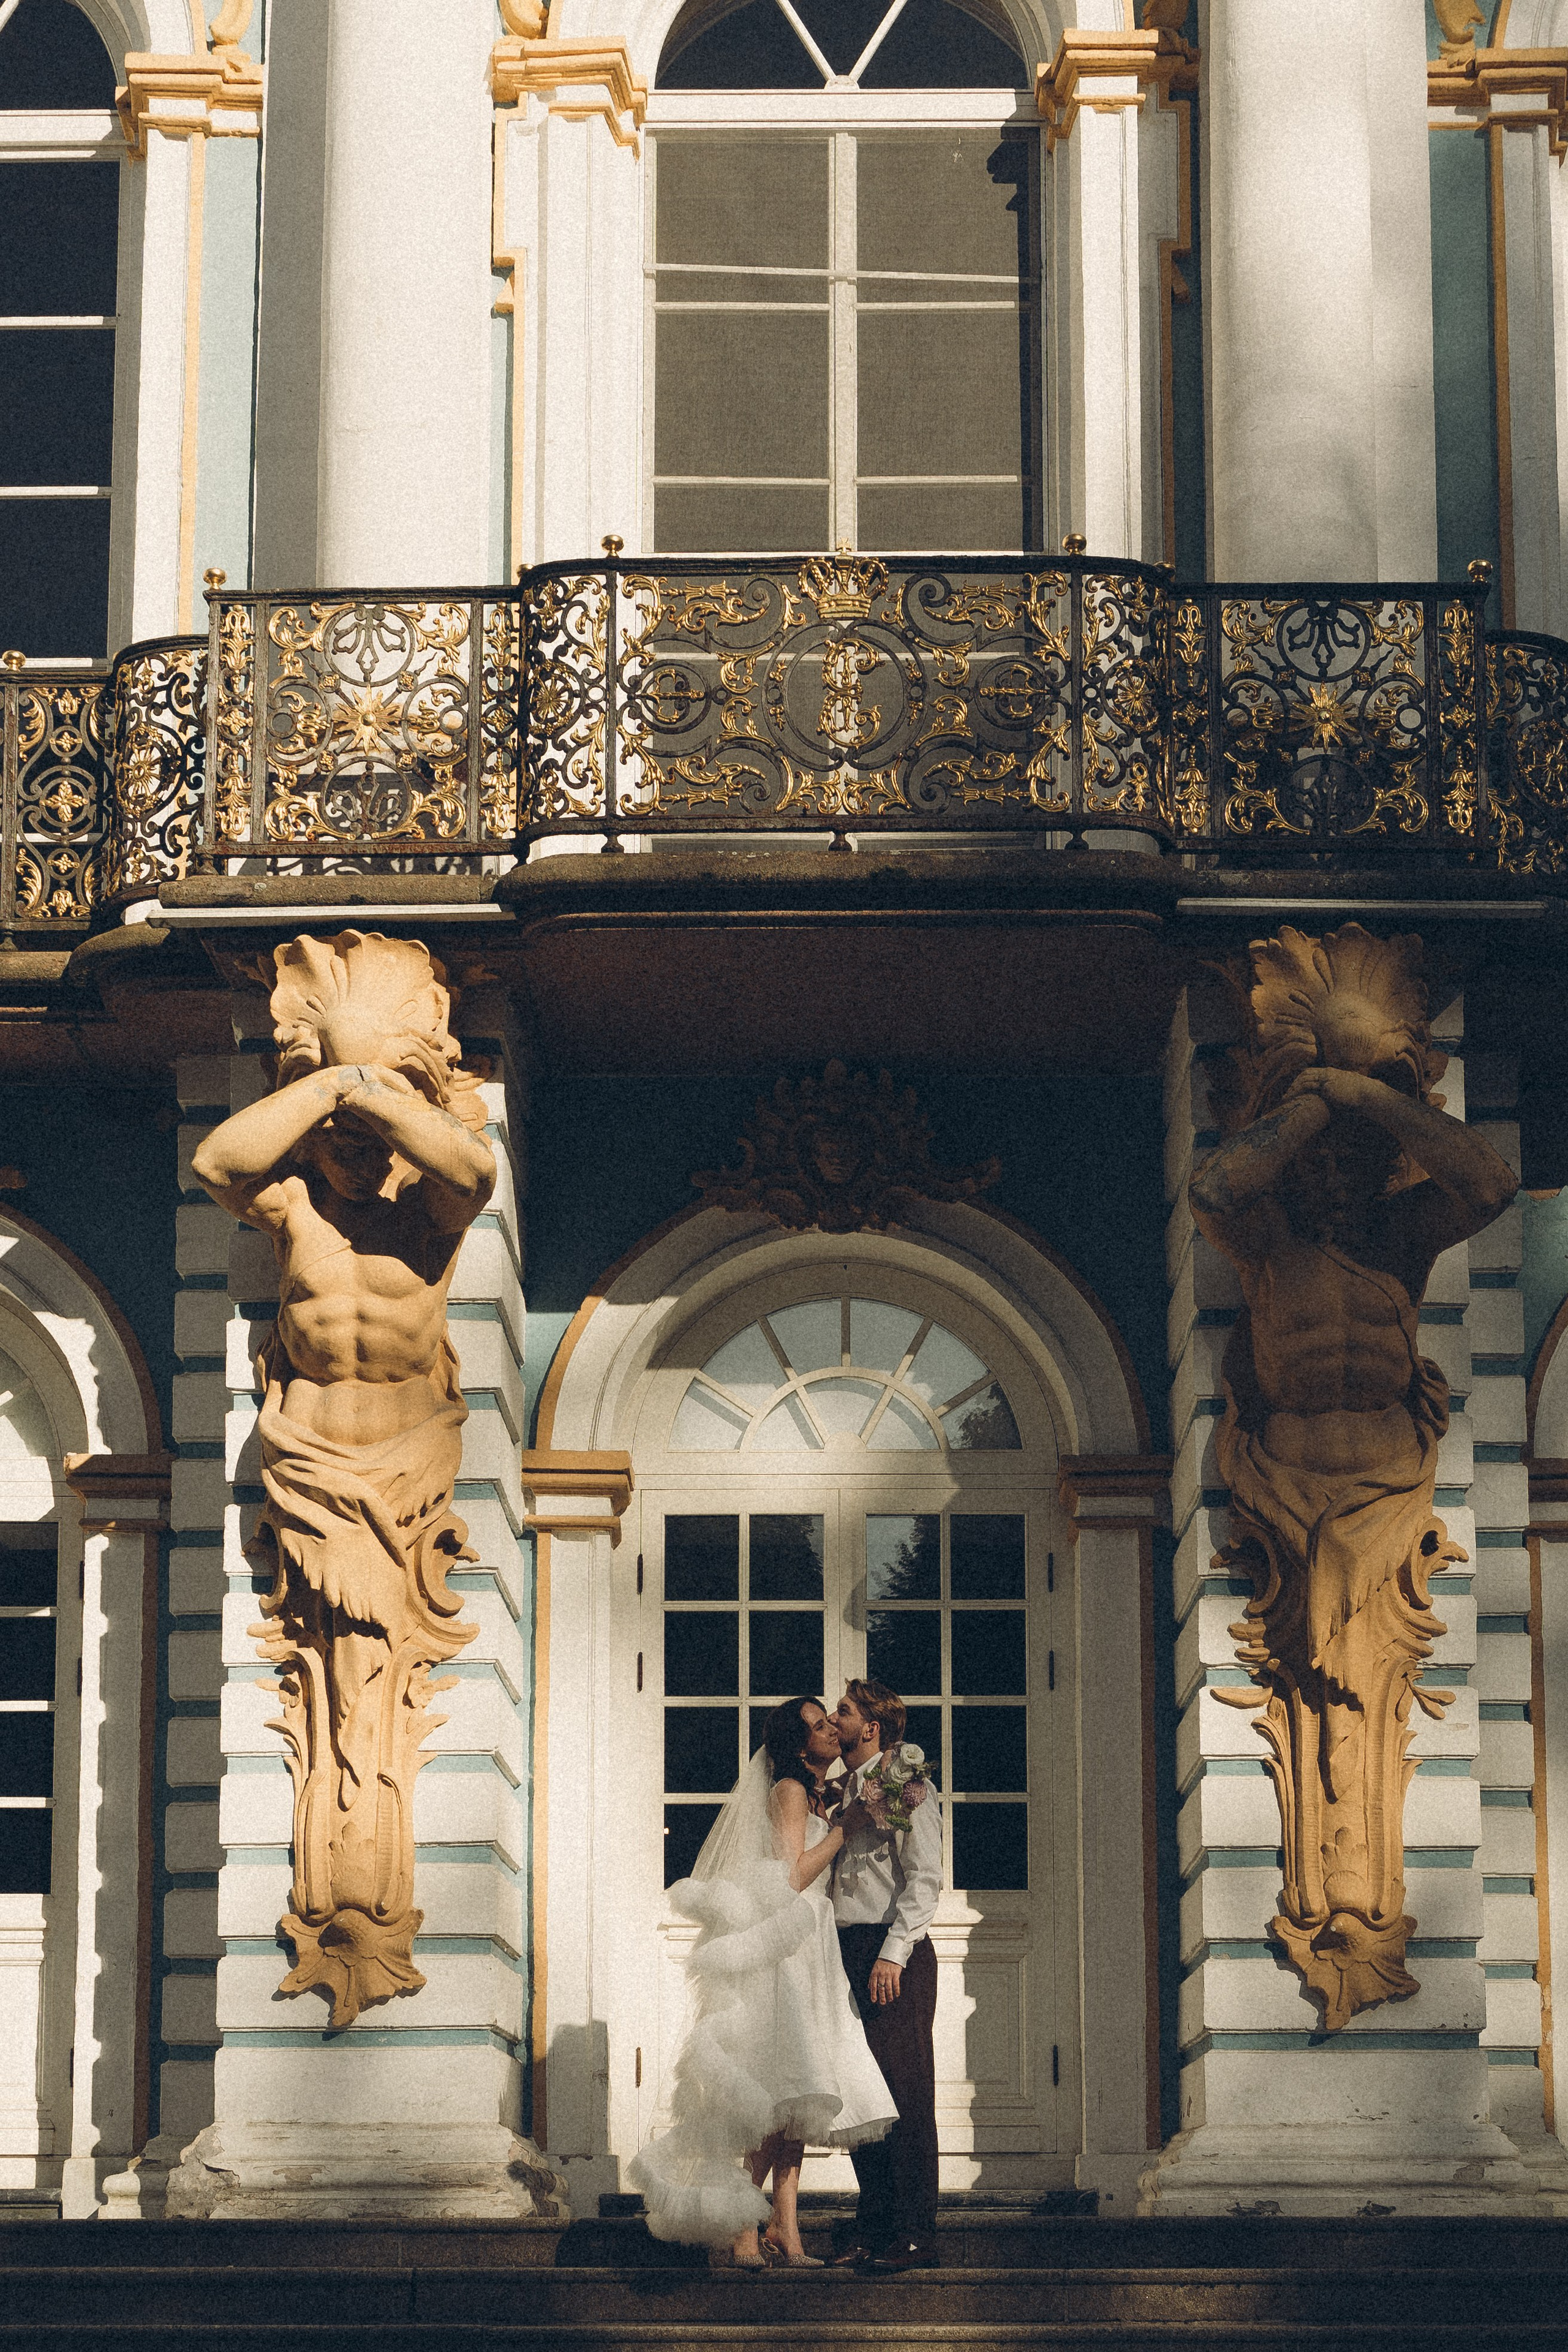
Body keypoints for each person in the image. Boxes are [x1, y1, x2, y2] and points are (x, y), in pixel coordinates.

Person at [627, 1697, 896, 2264]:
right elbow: (791, 1877)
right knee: (777, 2096)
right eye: (819, 1725)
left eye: (830, 1721)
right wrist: (845, 1829)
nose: (830, 1731)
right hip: (787, 1951)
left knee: (798, 2096)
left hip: (812, 1947)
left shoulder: (816, 1792)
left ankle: (785, 2228)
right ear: (800, 1746)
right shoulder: (791, 1791)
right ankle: (747, 2227)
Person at [829, 1678, 943, 2273]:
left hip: (889, 1949)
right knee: (863, 2100)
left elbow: (924, 1877)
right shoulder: (841, 1788)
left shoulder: (902, 1781)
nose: (833, 1718)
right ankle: (872, 2229)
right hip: (844, 1948)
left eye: (843, 1711)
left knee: (904, 2095)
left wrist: (893, 1953)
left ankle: (915, 2232)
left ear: (871, 1726)